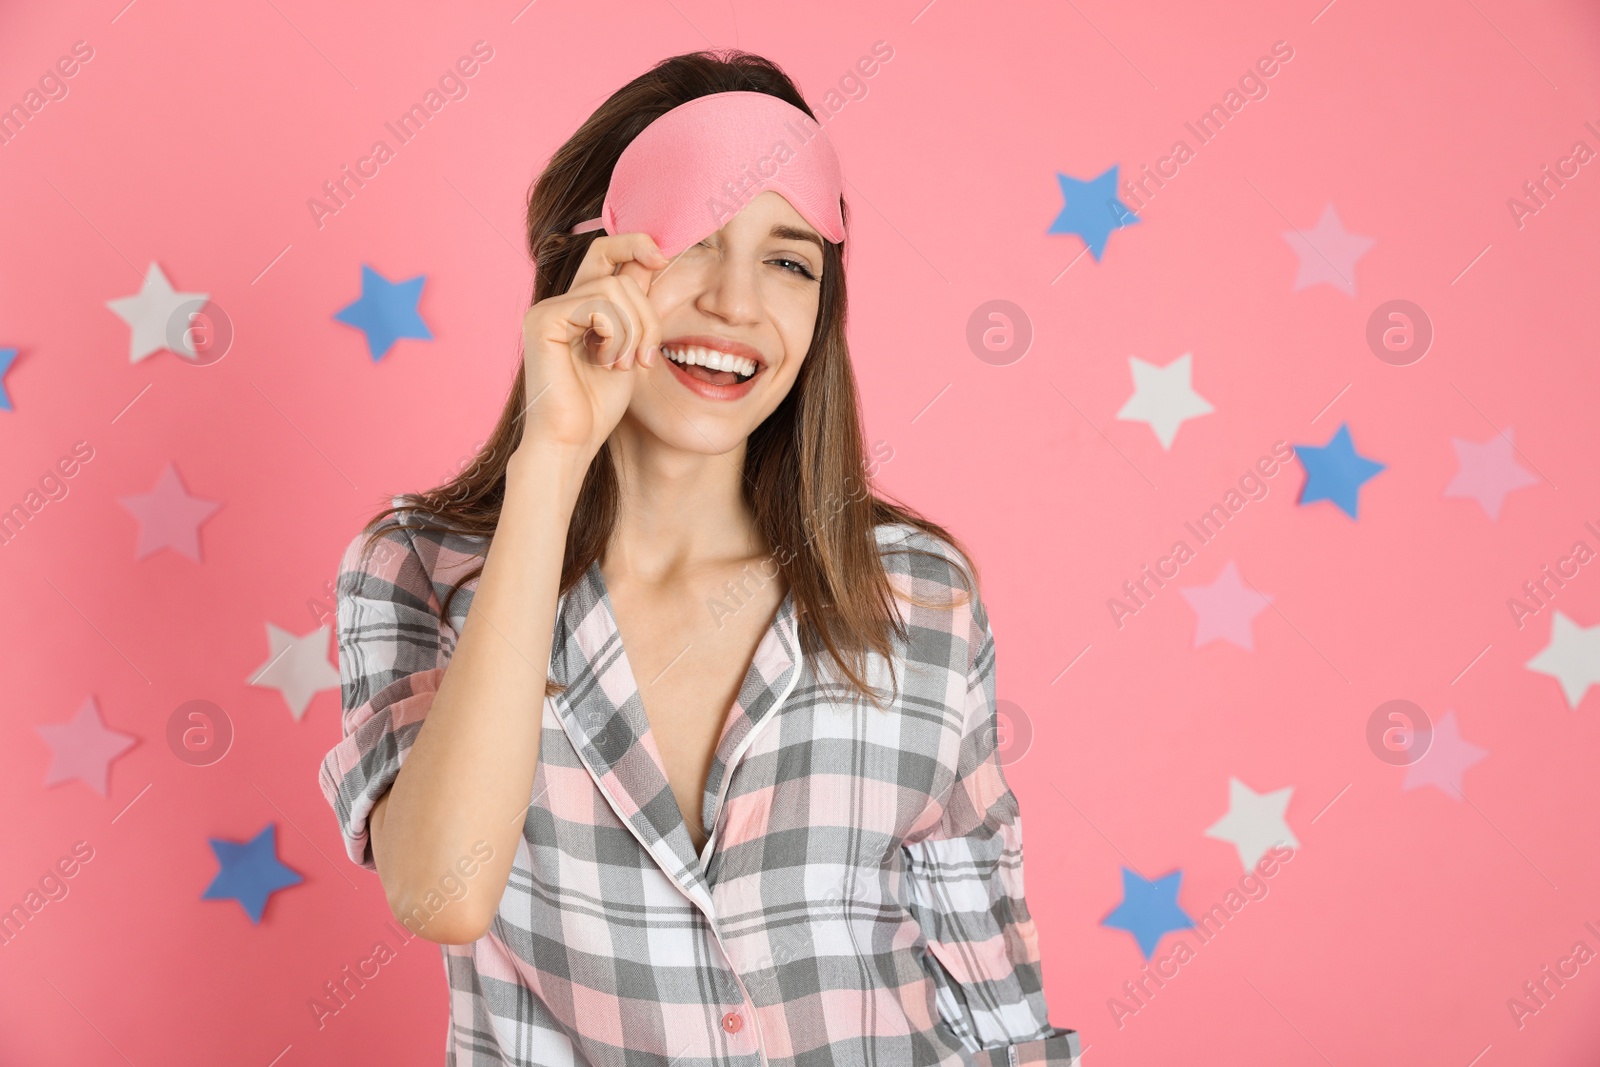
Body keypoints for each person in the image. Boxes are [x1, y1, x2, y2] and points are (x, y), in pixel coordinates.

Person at [318, 48, 1079, 1067]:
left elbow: (990, 977)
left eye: (788, 260)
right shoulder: (415, 566)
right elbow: (442, 892)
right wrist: (551, 457)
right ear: (584, 269)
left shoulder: (917, 594)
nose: (734, 302)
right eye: (692, 242)